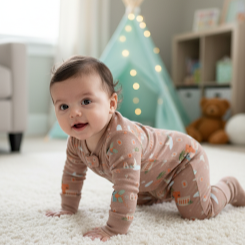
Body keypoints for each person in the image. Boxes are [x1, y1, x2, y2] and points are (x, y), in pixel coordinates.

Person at [46, 56, 245, 242]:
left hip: (183, 160)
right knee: (138, 199)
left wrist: (114, 228)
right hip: (151, 174)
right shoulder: (75, 142)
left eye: (86, 101)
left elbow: (125, 187)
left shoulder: (121, 141)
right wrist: (68, 207)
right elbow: (73, 174)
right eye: (64, 107)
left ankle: (230, 187)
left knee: (197, 212)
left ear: (111, 104)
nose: (74, 113)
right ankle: (157, 193)